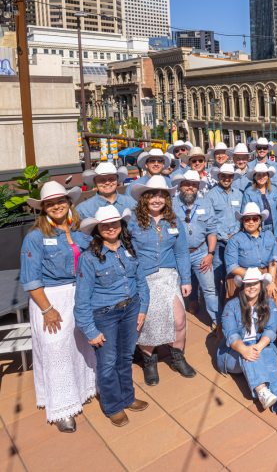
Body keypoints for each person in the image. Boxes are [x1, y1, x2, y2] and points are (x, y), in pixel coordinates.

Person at [20, 182, 97, 432]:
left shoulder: (80, 231)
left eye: (60, 201)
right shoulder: (35, 237)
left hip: (82, 294)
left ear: (68, 202)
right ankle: (62, 406)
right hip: (51, 298)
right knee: (56, 350)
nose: (57, 206)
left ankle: (83, 389)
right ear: (43, 208)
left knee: (81, 345)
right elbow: (31, 279)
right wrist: (46, 309)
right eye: (50, 203)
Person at [74, 205, 149, 428]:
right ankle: (113, 406)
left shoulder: (130, 247)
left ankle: (128, 397)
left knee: (125, 358)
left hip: (131, 309)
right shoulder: (89, 258)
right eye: (104, 225)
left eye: (114, 223)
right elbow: (82, 298)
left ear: (121, 225)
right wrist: (89, 330)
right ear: (97, 228)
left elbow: (141, 281)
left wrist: (142, 307)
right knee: (107, 363)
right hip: (104, 315)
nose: (110, 228)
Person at [128, 175, 195, 386]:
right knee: (146, 322)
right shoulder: (131, 221)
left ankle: (177, 357)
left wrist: (186, 279)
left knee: (178, 320)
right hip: (143, 277)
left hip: (169, 276)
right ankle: (150, 361)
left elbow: (182, 252)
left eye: (162, 196)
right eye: (153, 196)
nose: (157, 200)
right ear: (144, 198)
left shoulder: (174, 221)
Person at [217, 268, 277, 416]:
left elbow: (271, 330)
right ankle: (262, 392)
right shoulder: (232, 306)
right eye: (248, 284)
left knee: (268, 363)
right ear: (243, 286)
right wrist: (245, 350)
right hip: (235, 353)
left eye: (255, 283)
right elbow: (231, 334)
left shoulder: (269, 303)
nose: (252, 287)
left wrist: (258, 347)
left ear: (261, 284)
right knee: (250, 353)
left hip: (262, 346)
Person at [172, 171, 219, 329]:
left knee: (210, 288)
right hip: (178, 254)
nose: (190, 187)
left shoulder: (205, 203)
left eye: (194, 184)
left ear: (198, 186)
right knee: (176, 290)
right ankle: (177, 323)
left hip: (200, 252)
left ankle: (216, 321)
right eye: (186, 184)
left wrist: (210, 254)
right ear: (180, 186)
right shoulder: (171, 204)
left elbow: (212, 230)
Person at [225, 202, 277, 309]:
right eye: (247, 219)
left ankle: (274, 324)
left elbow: (273, 260)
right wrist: (256, 278)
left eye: (255, 219)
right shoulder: (235, 239)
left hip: (266, 272)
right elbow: (232, 266)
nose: (251, 222)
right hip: (242, 274)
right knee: (237, 298)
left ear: (260, 220)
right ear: (243, 221)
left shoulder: (269, 235)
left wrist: (271, 281)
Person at [204, 163, 244, 303]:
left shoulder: (239, 194)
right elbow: (210, 220)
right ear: (218, 176)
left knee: (233, 272)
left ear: (233, 177)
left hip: (235, 240)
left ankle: (232, 300)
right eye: (224, 176)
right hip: (218, 242)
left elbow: (241, 217)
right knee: (217, 273)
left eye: (229, 176)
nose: (226, 179)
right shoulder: (210, 195)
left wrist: (234, 234)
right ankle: (218, 304)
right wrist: (223, 235)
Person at [243, 163, 277, 242]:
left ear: (267, 176)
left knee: (274, 251)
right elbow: (244, 212)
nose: (262, 177)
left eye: (264, 175)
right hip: (257, 227)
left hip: (273, 227)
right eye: (259, 175)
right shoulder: (248, 192)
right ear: (254, 177)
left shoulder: (274, 190)